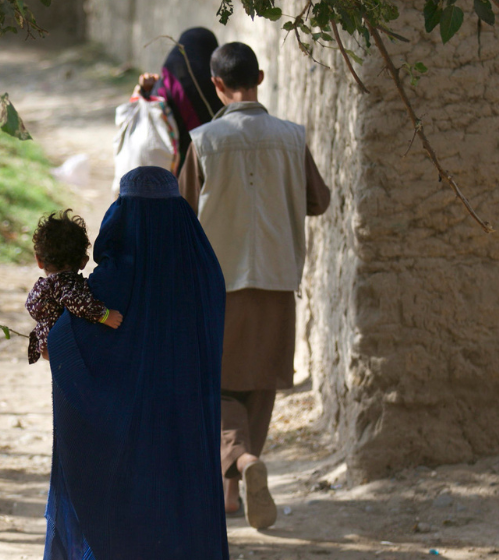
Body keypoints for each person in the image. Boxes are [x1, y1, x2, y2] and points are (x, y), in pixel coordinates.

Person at [178, 42, 332, 529]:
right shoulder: (290, 138)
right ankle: (233, 492)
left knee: (214, 384)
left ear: (216, 86)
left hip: (218, 285)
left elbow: (181, 213)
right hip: (277, 279)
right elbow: (319, 200)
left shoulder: (203, 140)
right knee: (260, 384)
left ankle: (241, 465)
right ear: (260, 77)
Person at [44, 167, 229, 560]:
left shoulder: (113, 279)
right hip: (185, 425)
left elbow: (68, 338)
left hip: (128, 443)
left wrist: (50, 336)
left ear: (121, 214)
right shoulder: (204, 270)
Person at [25, 210, 123, 364]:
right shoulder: (66, 284)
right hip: (61, 345)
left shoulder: (46, 285)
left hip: (49, 341)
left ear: (39, 260)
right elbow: (76, 302)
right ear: (84, 262)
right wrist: (104, 315)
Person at [137, 27, 224, 174]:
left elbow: (149, 110)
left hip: (170, 174)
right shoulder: (218, 89)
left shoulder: (166, 85)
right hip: (208, 171)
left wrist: (145, 91)